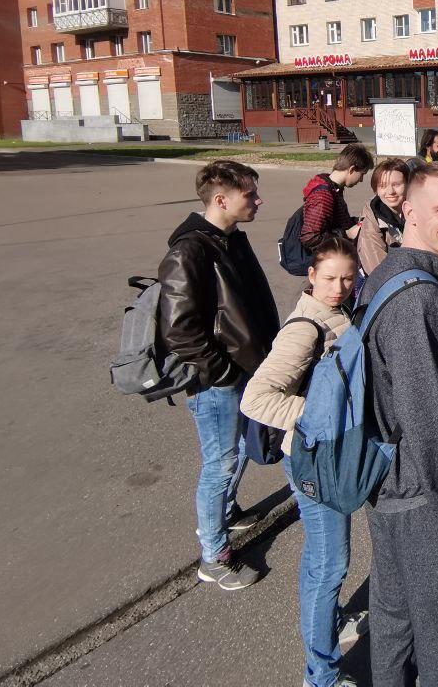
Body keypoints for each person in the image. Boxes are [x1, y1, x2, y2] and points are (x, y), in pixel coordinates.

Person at [359, 164, 438, 687]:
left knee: (394, 621)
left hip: (387, 482)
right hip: (420, 493)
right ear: (407, 211)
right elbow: (425, 411)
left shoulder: (388, 272)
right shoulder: (416, 296)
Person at [241, 236, 364, 687]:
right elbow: (256, 399)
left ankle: (330, 623)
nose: (339, 287)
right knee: (329, 564)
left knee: (324, 557)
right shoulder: (305, 328)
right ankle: (322, 676)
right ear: (310, 276)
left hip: (328, 458)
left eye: (348, 278)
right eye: (329, 278)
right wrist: (319, 417)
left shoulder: (336, 312)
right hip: (314, 464)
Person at [158, 160, 280, 590]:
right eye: (251, 194)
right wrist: (222, 371)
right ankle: (213, 557)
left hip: (244, 370)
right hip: (217, 382)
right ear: (221, 199)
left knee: (239, 451)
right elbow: (179, 330)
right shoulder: (189, 250)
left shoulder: (229, 240)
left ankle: (227, 515)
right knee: (220, 463)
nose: (259, 200)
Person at [301, 143, 374, 252]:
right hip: (329, 263)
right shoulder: (323, 195)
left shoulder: (334, 188)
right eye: (362, 174)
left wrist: (354, 222)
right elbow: (310, 237)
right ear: (351, 169)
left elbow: (334, 222)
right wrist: (347, 234)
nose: (361, 180)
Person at [356, 158, 409, 274]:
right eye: (383, 186)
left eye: (396, 184)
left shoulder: (416, 210)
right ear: (376, 190)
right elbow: (377, 270)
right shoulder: (372, 219)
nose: (390, 191)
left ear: (408, 185)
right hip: (388, 284)